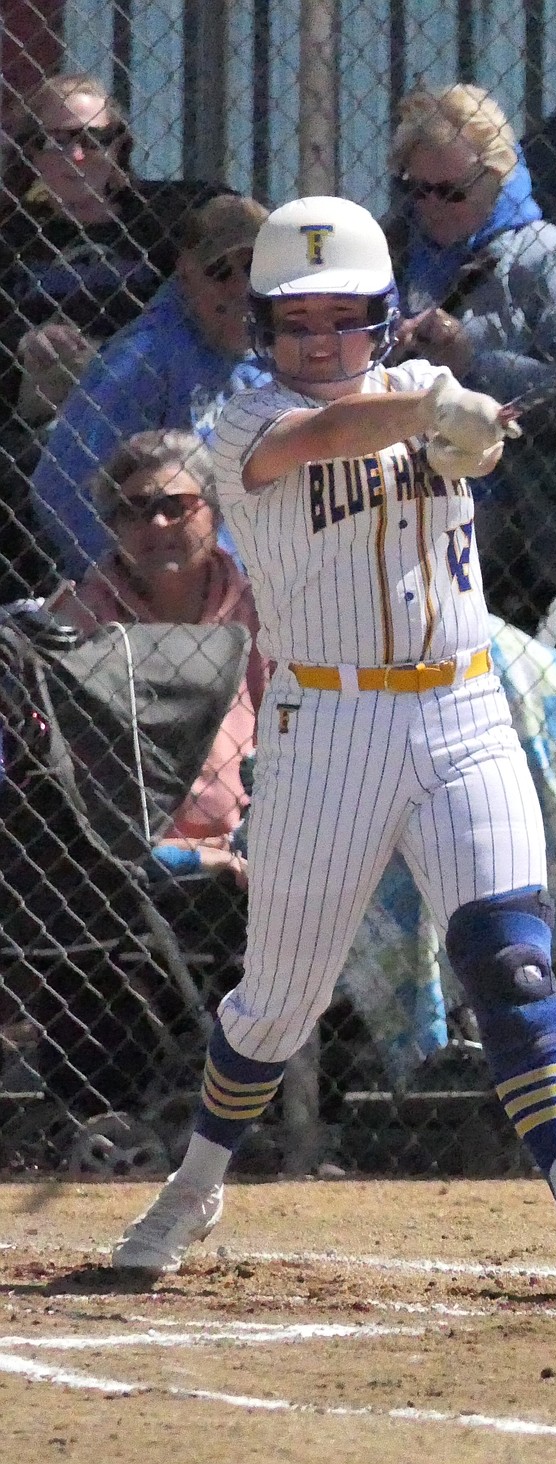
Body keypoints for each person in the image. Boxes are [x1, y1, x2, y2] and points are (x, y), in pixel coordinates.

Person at [109, 195, 556, 1303]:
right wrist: (437, 409)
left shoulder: (414, 396)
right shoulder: (243, 422)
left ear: (381, 317)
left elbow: (468, 453)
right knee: (277, 1003)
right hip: (327, 726)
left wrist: (477, 433)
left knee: (511, 961)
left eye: (343, 320)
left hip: (461, 709)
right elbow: (335, 435)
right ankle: (198, 1179)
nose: (319, 343)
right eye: (296, 322)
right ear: (264, 329)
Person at [53, 429, 266, 882]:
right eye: (135, 511)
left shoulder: (260, 610)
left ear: (215, 508)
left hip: (258, 843)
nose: (158, 525)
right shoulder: (82, 622)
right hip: (127, 863)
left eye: (176, 505)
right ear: (112, 527)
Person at [31, 192, 270, 580]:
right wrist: (136, 585)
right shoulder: (144, 360)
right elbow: (60, 486)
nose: (241, 287)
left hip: (251, 584)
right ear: (186, 273)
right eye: (220, 271)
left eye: (255, 268)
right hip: (172, 596)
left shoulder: (282, 349)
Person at [0, 72, 224, 431]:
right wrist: (24, 339)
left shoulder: (169, 214)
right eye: (56, 140)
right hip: (49, 408)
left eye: (92, 139)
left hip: (154, 385)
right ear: (31, 153)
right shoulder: (12, 234)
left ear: (117, 146)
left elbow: (243, 226)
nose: (76, 155)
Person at [386, 83, 556, 403]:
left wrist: (472, 367)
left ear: (499, 176)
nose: (432, 206)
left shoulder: (549, 256)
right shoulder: (392, 251)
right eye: (417, 189)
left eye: (452, 192)